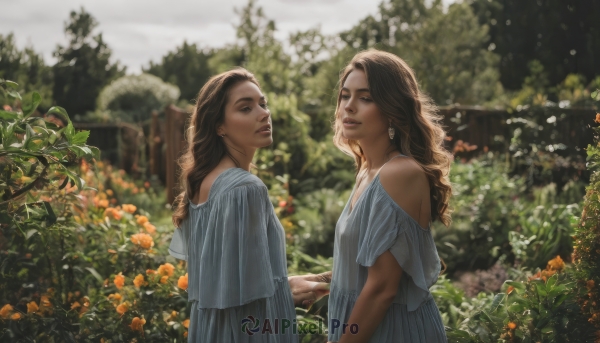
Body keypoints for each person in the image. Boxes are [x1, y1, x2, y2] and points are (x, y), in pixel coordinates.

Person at [322, 49, 452, 342]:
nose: (349, 107)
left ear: (393, 110)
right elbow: (363, 268)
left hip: (393, 331)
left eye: (365, 98)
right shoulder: (367, 170)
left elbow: (382, 289)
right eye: (345, 95)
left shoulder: (399, 172)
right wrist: (318, 282)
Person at [168, 68, 301, 342]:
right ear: (219, 126)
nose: (264, 113)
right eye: (245, 108)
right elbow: (249, 306)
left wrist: (293, 285)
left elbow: (232, 283)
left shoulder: (204, 183)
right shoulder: (244, 189)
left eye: (263, 104)